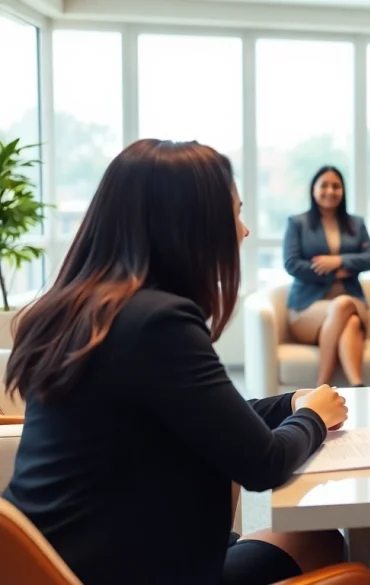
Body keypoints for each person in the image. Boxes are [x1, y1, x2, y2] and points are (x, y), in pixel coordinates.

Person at [2, 139, 352, 585]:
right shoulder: (157, 322)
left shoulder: (80, 308)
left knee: (301, 539)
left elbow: (206, 413)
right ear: (192, 226)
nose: (244, 231)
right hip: (122, 570)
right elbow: (263, 463)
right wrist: (313, 418)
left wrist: (289, 404)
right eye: (235, 213)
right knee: (321, 542)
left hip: (40, 561)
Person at [284, 166, 370, 387]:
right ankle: (351, 385)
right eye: (324, 185)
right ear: (314, 190)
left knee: (345, 307)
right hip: (307, 307)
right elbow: (292, 264)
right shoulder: (297, 223)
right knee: (348, 318)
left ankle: (326, 387)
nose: (330, 191)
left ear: (343, 190)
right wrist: (338, 273)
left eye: (336, 186)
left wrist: (339, 261)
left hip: (352, 300)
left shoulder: (356, 224)